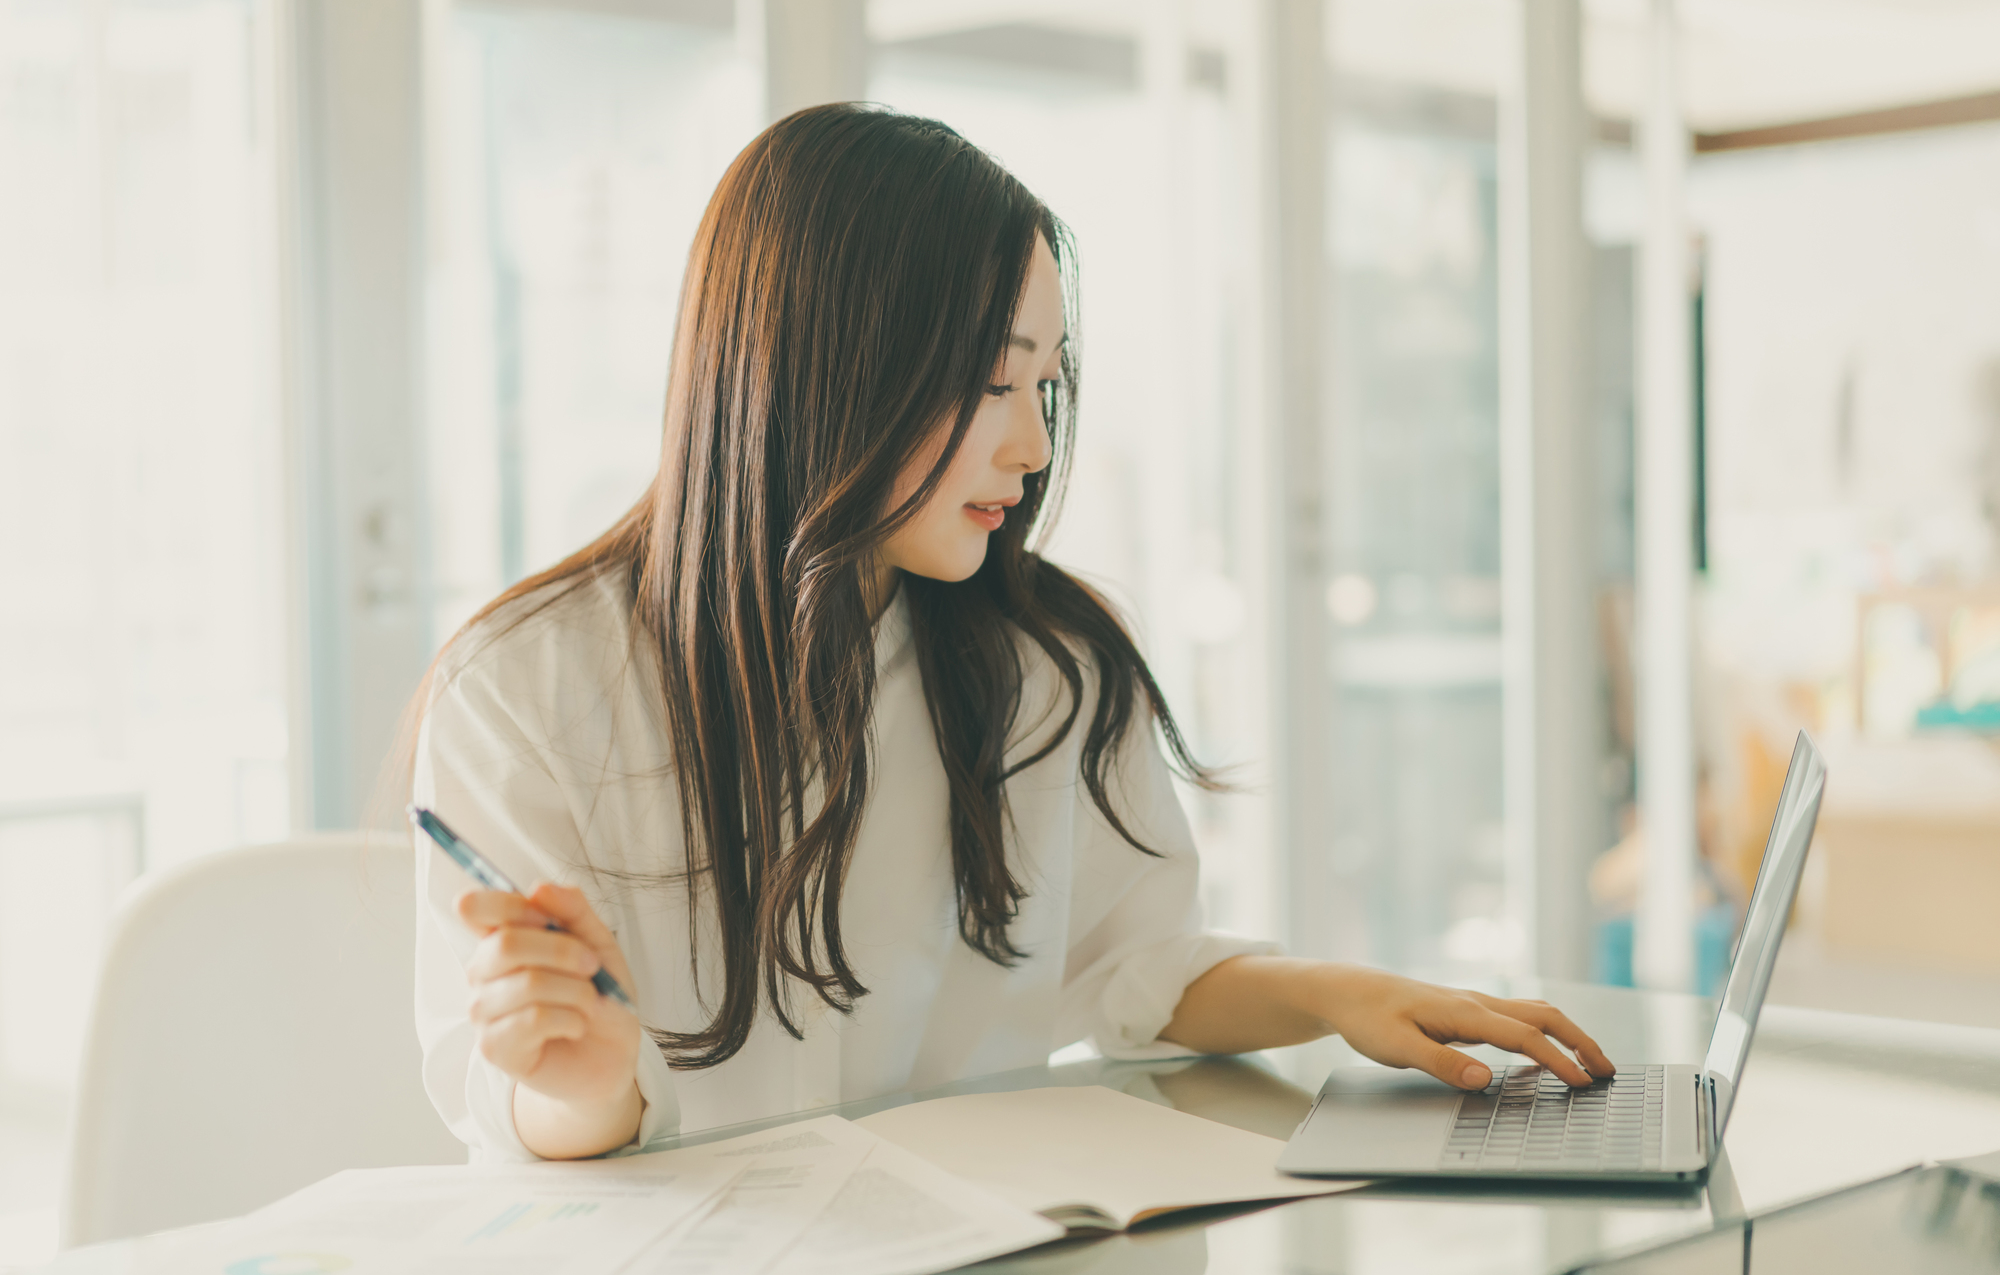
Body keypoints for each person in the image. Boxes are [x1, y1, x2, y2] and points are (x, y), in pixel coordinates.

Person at [411, 103, 1612, 1162]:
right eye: (991, 381)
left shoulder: (1052, 664)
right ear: (827, 368)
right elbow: (514, 1107)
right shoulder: (525, 687)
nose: (1032, 448)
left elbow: (1128, 963)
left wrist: (1339, 991)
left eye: (1045, 385)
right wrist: (579, 1085)